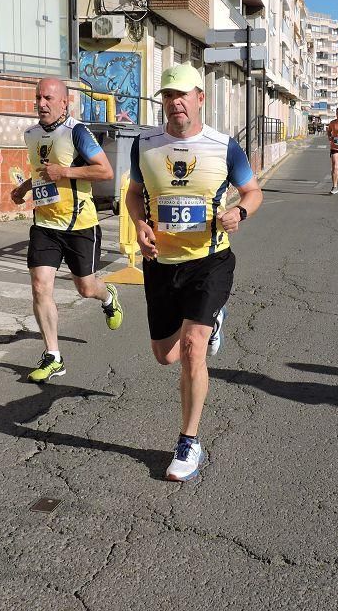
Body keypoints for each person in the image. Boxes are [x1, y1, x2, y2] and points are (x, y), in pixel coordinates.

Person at [126, 64, 262, 482]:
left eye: (182, 94)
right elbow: (134, 194)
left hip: (209, 261)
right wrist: (140, 224)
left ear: (200, 98)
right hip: (161, 265)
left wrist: (239, 211)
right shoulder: (144, 145)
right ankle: (214, 319)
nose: (175, 102)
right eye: (168, 95)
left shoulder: (224, 147)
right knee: (165, 355)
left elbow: (254, 191)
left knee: (191, 349)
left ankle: (188, 440)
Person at [10, 78, 124, 383]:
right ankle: (53, 355)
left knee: (86, 288)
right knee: (39, 285)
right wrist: (23, 188)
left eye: (48, 98)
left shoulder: (77, 132)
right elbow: (41, 172)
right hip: (45, 223)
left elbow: (105, 170)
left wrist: (67, 172)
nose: (41, 103)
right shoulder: (31, 134)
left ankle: (108, 296)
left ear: (65, 102)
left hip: (79, 225)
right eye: (38, 98)